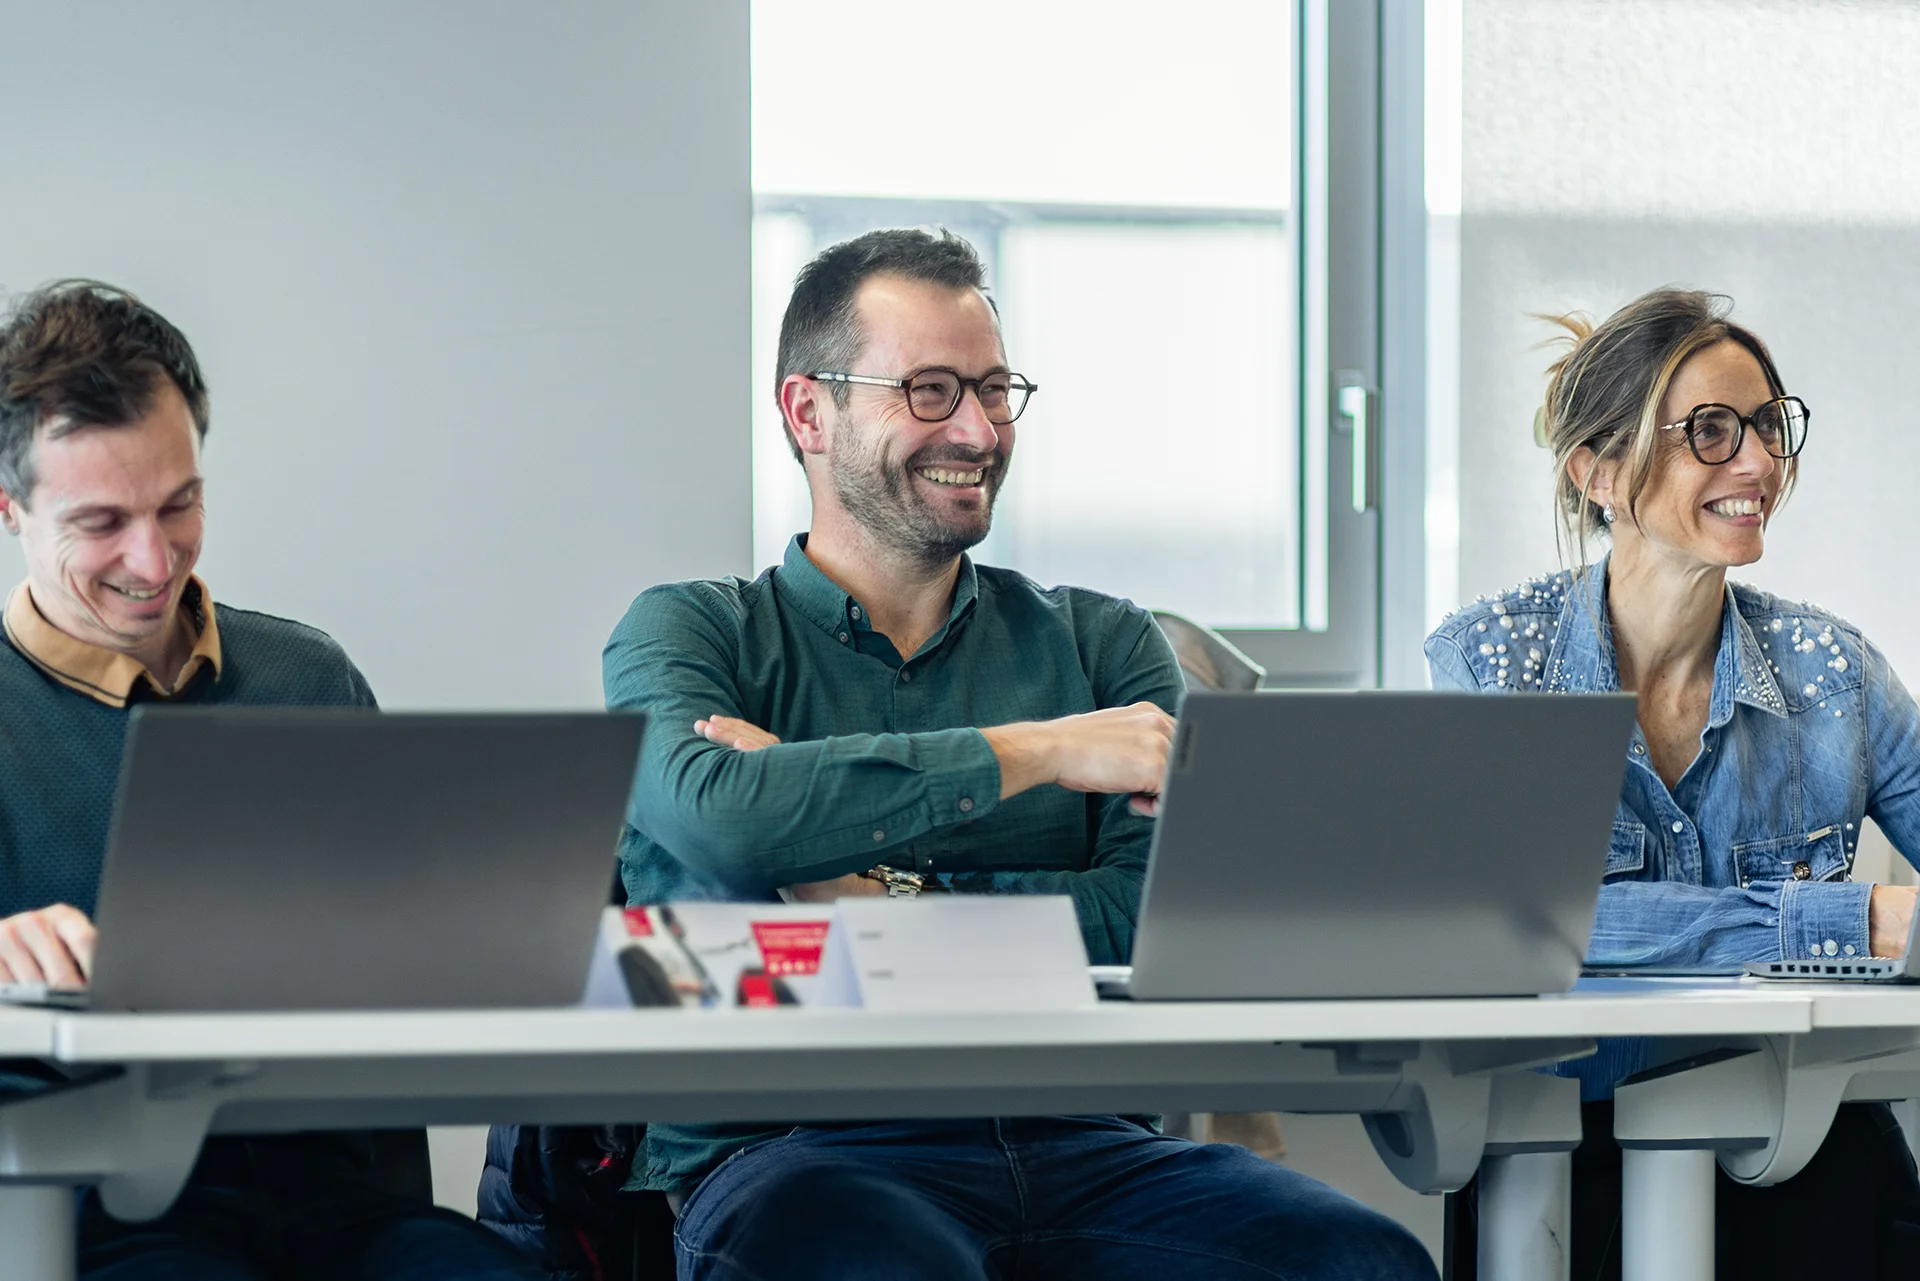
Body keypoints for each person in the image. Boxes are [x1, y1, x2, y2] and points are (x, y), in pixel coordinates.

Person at [603, 229, 1437, 1280]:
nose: (979, 429)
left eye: (997, 391)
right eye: (933, 389)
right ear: (809, 412)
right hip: (792, 1152)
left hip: (1086, 1141)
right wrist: (1040, 753)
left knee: (1360, 1261)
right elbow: (716, 840)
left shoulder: (1103, 643)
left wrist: (844, 882)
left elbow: (1155, 922)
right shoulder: (687, 634)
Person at [0, 280, 537, 1281]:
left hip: (339, 1203)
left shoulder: (307, 677)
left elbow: (418, 954)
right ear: (9, 508)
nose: (152, 560)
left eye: (180, 503)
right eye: (102, 521)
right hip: (95, 1217)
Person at [1426, 287, 1920, 1279]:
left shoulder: (1837, 673)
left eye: (1770, 427)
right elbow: (1526, 926)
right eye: (1711, 430)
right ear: (1598, 470)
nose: (1760, 463)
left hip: (1793, 1140)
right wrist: (1846, 928)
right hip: (1559, 1154)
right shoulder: (1490, 663)